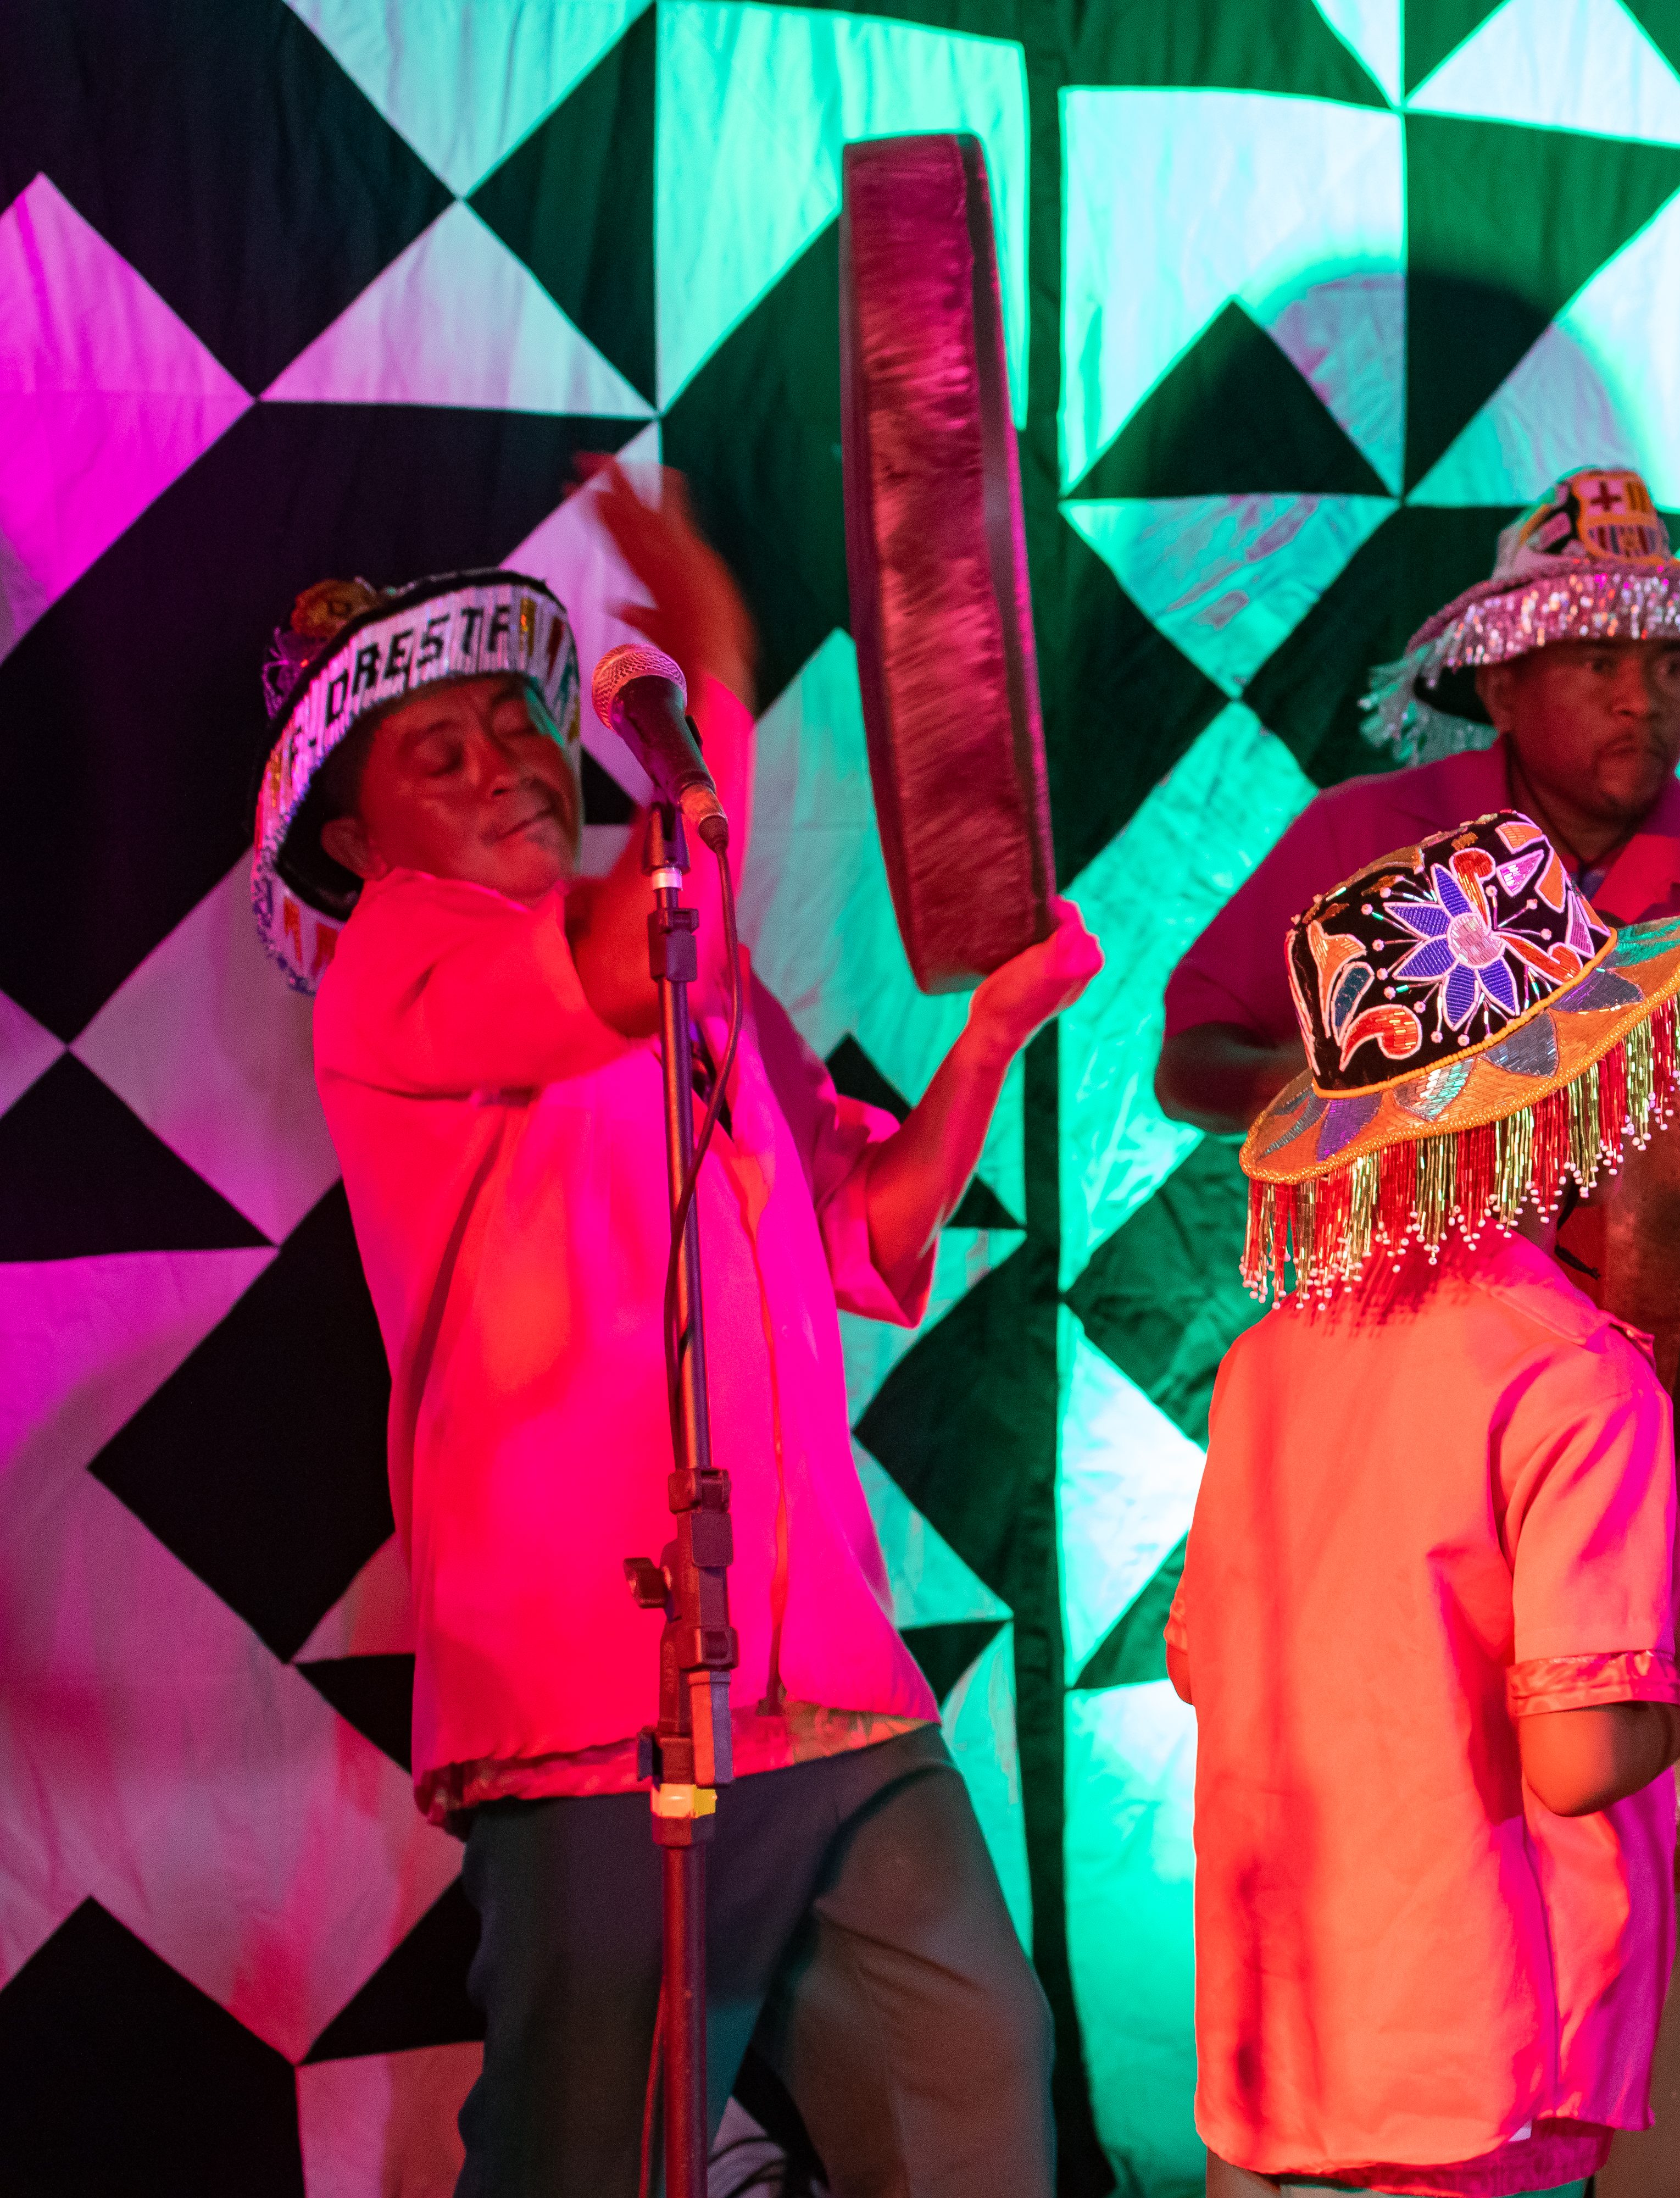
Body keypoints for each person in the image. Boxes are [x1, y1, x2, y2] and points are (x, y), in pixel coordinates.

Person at [251, 464, 1100, 2197]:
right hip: (596, 1687)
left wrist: (995, 1032)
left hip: (826, 1678)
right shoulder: (397, 964)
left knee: (976, 2074)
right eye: (444, 753)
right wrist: (710, 651)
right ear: (354, 839)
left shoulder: (695, 965)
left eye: (520, 724)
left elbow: (873, 1232)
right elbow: (634, 958)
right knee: (599, 2155)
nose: (508, 763)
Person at [1160, 469, 1680, 2197]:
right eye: (1596, 655)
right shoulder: (1366, 846)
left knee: (1672, 1990)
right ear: (1499, 673)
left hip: (1651, 1449)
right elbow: (1195, 1057)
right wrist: (1418, 1115)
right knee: (1413, 1901)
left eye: (1672, 664)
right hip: (1396, 1481)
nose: (1640, 695)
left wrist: (1612, 1116)